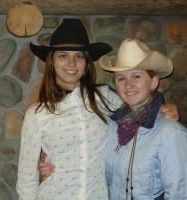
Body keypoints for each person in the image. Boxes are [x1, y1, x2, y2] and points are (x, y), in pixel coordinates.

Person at [17, 18, 179, 200]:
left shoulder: (103, 97)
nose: (71, 63)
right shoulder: (36, 114)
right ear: (51, 61)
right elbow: (26, 180)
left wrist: (162, 107)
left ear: (86, 62)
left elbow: (137, 106)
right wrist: (43, 158)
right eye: (63, 55)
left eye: (78, 56)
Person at [99, 38, 187, 199]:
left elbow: (179, 194)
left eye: (136, 76)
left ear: (154, 82)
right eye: (121, 78)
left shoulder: (171, 133)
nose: (128, 85)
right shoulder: (111, 127)